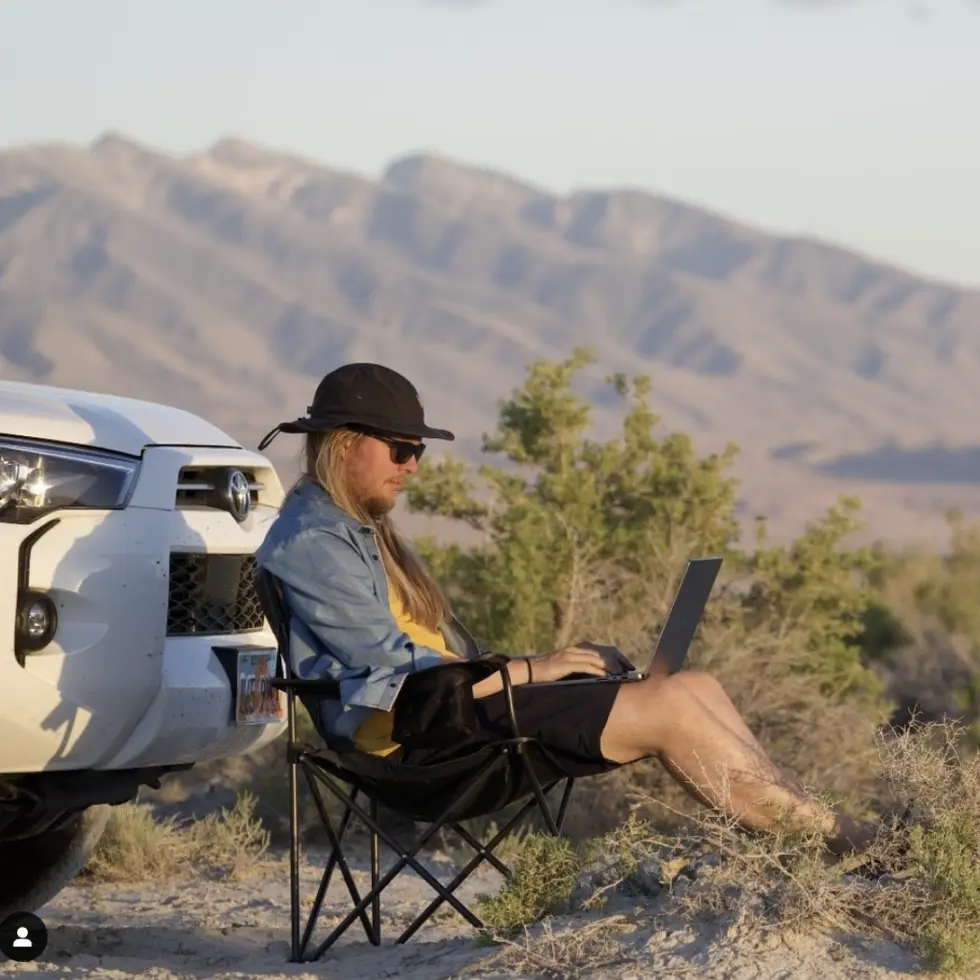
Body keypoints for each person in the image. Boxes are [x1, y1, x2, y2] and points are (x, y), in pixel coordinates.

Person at [255, 362, 877, 857]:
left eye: (418, 449)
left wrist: (543, 672)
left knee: (693, 684)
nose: (412, 464)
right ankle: (839, 844)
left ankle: (814, 830)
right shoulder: (314, 542)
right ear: (341, 445)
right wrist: (535, 670)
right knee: (662, 708)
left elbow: (435, 666)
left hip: (454, 715)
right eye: (399, 449)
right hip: (415, 745)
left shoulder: (358, 529)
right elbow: (404, 679)